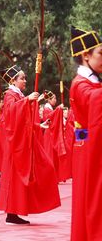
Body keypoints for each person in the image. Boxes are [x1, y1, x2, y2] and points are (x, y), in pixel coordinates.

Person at [0, 65, 60, 225]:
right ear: (13, 80)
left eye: (25, 78)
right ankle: (11, 213)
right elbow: (10, 113)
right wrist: (27, 100)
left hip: (25, 141)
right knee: (17, 178)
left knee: (44, 168)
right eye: (22, 78)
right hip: (16, 144)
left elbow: (25, 120)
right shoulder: (10, 95)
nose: (25, 80)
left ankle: (15, 212)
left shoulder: (18, 95)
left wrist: (39, 125)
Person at [69, 26, 102, 240]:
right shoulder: (80, 84)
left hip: (92, 149)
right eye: (101, 53)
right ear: (85, 56)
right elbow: (94, 100)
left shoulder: (93, 82)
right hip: (89, 152)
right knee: (92, 201)